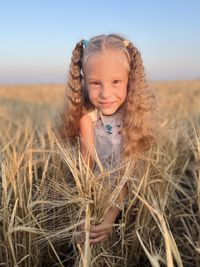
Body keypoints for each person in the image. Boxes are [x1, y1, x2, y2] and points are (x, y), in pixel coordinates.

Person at [58, 34, 157, 244]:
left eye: (116, 82)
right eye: (95, 83)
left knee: (126, 236)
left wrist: (110, 217)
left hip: (129, 193)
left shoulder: (133, 118)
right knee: (87, 236)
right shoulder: (89, 117)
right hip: (97, 190)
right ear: (84, 80)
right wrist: (84, 212)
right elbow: (87, 163)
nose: (105, 93)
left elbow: (128, 173)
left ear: (130, 79)